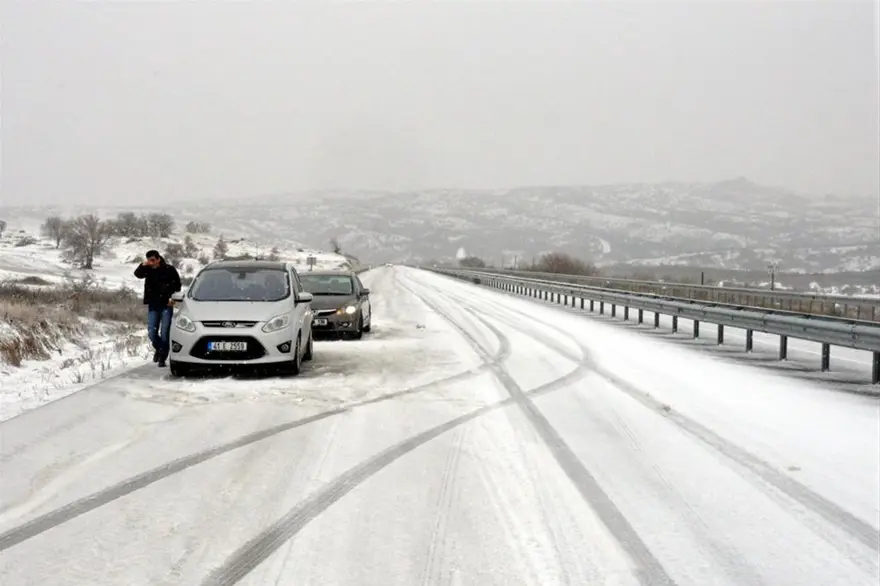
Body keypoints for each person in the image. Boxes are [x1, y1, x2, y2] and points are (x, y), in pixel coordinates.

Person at [134, 250, 182, 367]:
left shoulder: (169, 269)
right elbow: (137, 274)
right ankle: (161, 349)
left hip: (166, 304)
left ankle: (162, 357)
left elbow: (178, 285)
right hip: (153, 304)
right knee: (152, 333)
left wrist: (171, 295)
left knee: (165, 333)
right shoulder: (147, 269)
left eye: (153, 260)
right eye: (149, 260)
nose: (151, 262)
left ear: (158, 258)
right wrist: (143, 265)